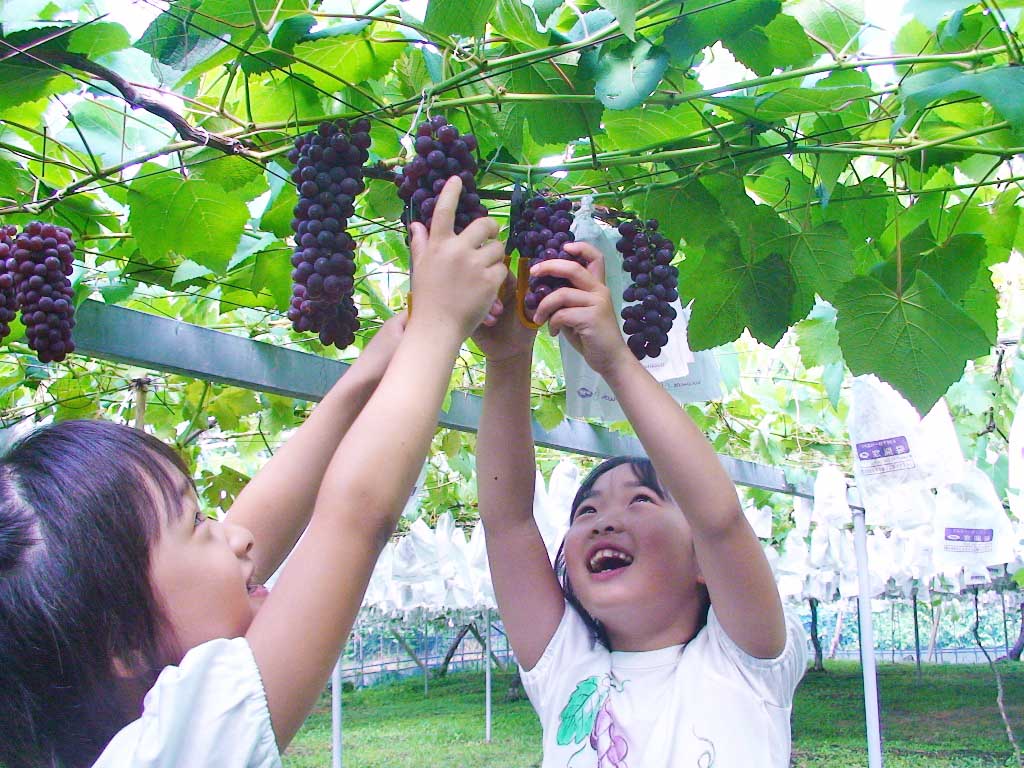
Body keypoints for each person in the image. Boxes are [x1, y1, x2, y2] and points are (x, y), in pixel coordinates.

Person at [0, 176, 507, 768]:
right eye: (198, 524)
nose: (238, 535)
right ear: (120, 638)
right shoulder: (175, 754)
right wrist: (439, 325)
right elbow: (355, 517)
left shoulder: (99, 724)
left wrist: (365, 377)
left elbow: (222, 557)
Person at [474, 240, 807, 767]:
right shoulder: (566, 670)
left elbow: (718, 519)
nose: (604, 520)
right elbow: (508, 523)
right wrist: (509, 359)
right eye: (586, 512)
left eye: (641, 500)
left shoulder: (746, 661)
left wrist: (616, 363)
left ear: (702, 560)